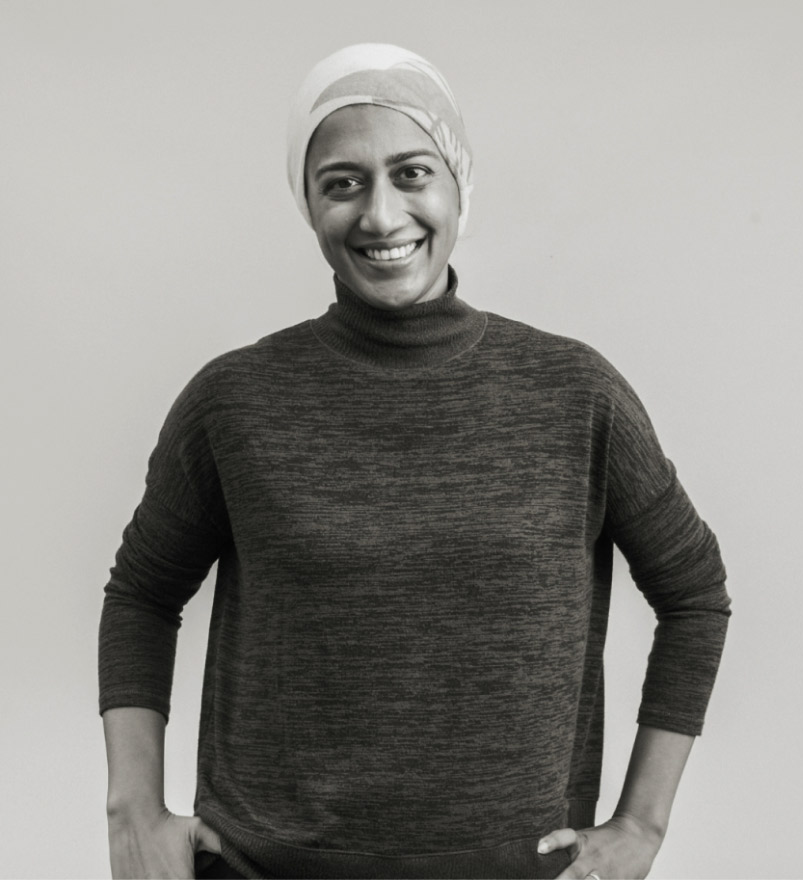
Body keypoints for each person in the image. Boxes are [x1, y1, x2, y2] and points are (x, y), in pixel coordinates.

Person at [98, 43, 731, 880]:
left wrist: (642, 825)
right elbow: (142, 595)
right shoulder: (235, 402)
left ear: (458, 184)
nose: (381, 215)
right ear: (308, 203)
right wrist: (132, 813)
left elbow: (694, 594)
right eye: (342, 183)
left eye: (411, 174)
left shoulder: (577, 394)